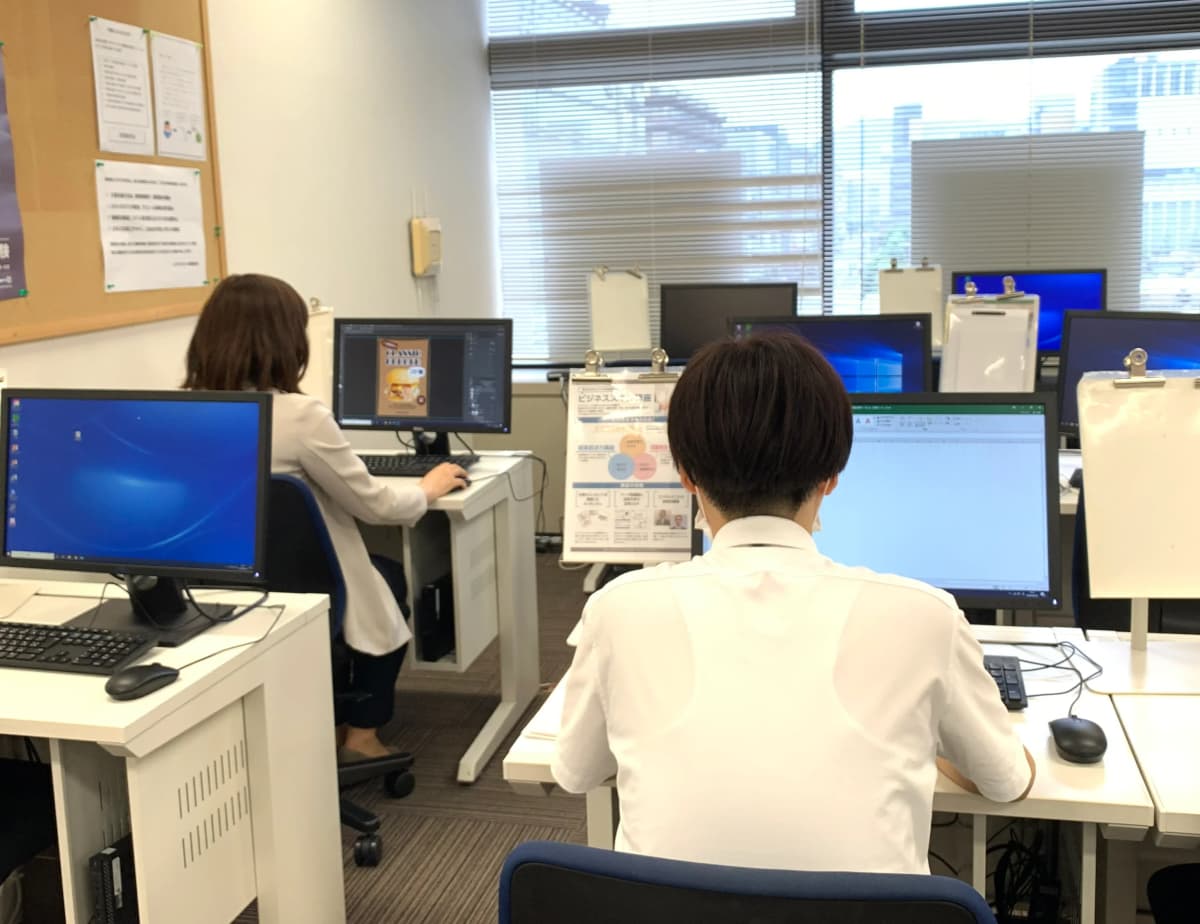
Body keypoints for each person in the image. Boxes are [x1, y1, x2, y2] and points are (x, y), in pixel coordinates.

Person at [553, 332, 1036, 873]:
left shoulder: (618, 610)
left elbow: (577, 772)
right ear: (832, 477)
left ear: (685, 474)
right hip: (868, 914)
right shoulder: (928, 618)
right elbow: (1007, 781)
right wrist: (930, 738)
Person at [184, 273, 467, 760]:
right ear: (284, 341)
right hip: (305, 588)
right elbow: (374, 505)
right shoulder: (298, 417)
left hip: (219, 584)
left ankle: (322, 716)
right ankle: (361, 735)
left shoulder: (181, 411)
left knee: (371, 579)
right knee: (388, 579)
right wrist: (426, 487)